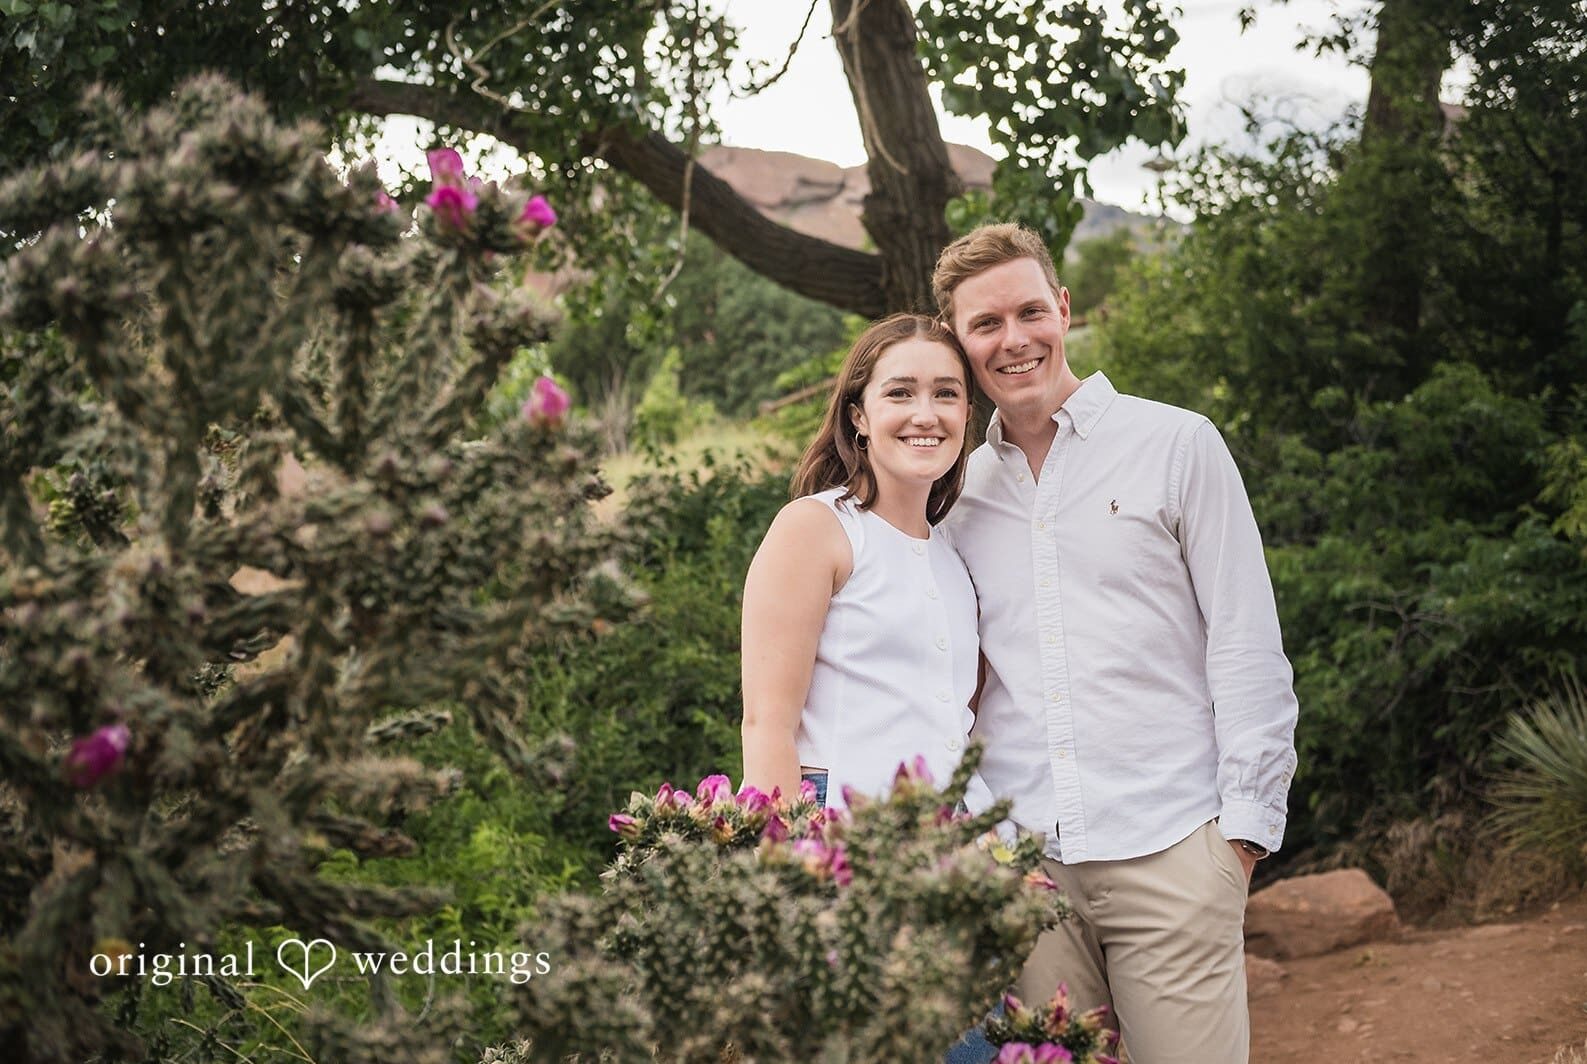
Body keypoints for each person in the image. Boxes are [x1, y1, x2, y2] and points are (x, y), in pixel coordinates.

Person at [932, 223, 1299, 1063]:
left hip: (1172, 847)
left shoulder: (1175, 444)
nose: (1013, 338)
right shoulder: (953, 490)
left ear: (1063, 309)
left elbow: (1245, 644)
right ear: (958, 342)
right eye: (984, 324)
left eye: (1030, 311)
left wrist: (1240, 838)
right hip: (1023, 869)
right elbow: (946, 677)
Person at [740, 313, 979, 811]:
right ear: (859, 417)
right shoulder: (816, 528)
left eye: (946, 393)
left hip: (949, 838)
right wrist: (786, 864)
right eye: (899, 393)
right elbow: (767, 725)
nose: (926, 414)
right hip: (842, 834)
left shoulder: (955, 554)